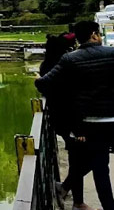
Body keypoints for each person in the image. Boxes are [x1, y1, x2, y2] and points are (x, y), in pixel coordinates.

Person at [37, 21, 114, 210]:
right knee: (100, 165)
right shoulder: (112, 54)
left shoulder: (70, 59)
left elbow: (44, 84)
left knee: (100, 168)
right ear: (95, 35)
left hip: (89, 124)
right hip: (112, 120)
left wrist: (37, 80)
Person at [40, 32, 86, 208]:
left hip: (61, 120)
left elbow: (43, 85)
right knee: (84, 159)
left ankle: (73, 195)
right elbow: (71, 97)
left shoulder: (47, 66)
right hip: (72, 120)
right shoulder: (64, 67)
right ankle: (76, 200)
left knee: (79, 158)